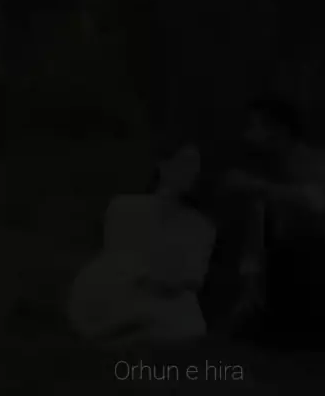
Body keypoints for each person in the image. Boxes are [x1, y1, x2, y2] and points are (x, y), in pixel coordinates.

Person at [199, 98, 325, 346]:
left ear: (278, 130)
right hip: (282, 272)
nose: (248, 135)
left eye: (255, 126)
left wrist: (254, 185)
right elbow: (256, 239)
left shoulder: (317, 162)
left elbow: (318, 201)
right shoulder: (264, 169)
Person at [66, 140, 216, 349]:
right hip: (123, 283)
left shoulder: (201, 226)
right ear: (163, 165)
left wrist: (167, 282)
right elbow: (115, 254)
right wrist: (142, 276)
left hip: (166, 294)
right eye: (183, 163)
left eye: (195, 167)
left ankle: (131, 334)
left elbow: (194, 276)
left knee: (185, 318)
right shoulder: (123, 207)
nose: (190, 172)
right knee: (111, 290)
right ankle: (123, 329)